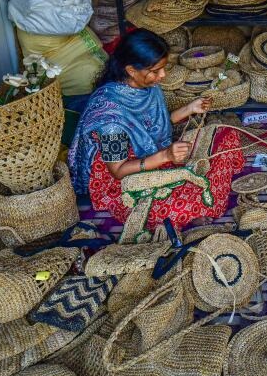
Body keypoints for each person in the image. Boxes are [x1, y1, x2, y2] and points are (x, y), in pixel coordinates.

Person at [68, 28, 243, 231]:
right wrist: (165, 156)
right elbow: (118, 171)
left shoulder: (146, 87)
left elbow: (153, 126)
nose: (163, 75)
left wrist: (189, 108)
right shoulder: (110, 118)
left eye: (163, 68)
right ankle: (190, 210)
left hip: (156, 155)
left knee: (227, 137)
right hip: (127, 179)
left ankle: (193, 203)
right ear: (131, 70)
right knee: (170, 206)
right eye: (155, 71)